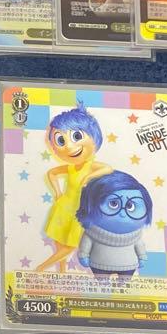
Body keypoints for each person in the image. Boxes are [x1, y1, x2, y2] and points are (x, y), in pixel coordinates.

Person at [36, 103, 111, 272]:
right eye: (61, 141)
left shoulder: (90, 165)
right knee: (59, 240)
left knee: (72, 244)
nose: (69, 146)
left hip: (79, 212)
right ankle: (62, 271)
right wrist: (57, 193)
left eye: (76, 136)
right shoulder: (70, 167)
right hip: (63, 208)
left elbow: (107, 168)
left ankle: (42, 267)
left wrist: (89, 177)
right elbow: (52, 173)